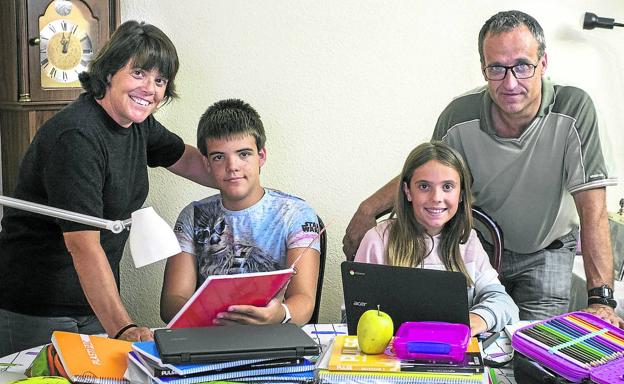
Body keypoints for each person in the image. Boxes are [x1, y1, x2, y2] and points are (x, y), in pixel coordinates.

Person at [344, 10, 622, 326]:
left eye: (522, 66)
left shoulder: (575, 109)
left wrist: (601, 300)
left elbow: (594, 212)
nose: (510, 82)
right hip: (481, 245)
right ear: (483, 68)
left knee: (533, 357)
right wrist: (368, 209)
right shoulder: (459, 115)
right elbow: (429, 173)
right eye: (496, 69)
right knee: (480, 342)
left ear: (543, 63)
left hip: (548, 250)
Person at [0, 20, 215, 355]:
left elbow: (185, 159)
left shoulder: (136, 125)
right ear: (110, 71)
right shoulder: (77, 137)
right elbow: (83, 246)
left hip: (93, 305)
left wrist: (239, 177)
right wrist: (124, 327)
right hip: (38, 309)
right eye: (140, 73)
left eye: (160, 80)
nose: (151, 88)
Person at [160, 99, 320, 326]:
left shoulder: (296, 214)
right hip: (208, 335)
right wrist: (212, 317)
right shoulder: (192, 216)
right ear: (206, 163)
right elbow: (172, 303)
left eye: (243, 154)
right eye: (219, 157)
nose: (232, 166)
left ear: (261, 156)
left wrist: (278, 314)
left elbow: (304, 300)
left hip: (273, 336)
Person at [355, 142, 518, 335]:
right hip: (391, 357)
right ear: (408, 191)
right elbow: (352, 314)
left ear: (461, 194)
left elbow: (504, 303)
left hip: (450, 354)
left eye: (448, 187)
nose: (436, 197)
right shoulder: (378, 240)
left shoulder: (467, 240)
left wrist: (480, 318)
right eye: (424, 186)